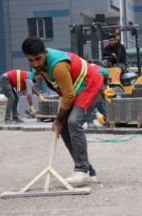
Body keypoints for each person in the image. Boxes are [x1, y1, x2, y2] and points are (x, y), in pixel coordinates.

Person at [22, 37, 112, 185]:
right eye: (31, 60)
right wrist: (59, 122)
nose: (35, 64)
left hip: (92, 86)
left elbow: (69, 95)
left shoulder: (58, 66)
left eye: (38, 59)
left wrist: (58, 120)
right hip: (80, 91)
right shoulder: (43, 67)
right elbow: (65, 92)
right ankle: (89, 171)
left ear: (45, 53)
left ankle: (81, 170)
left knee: (73, 121)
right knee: (64, 128)